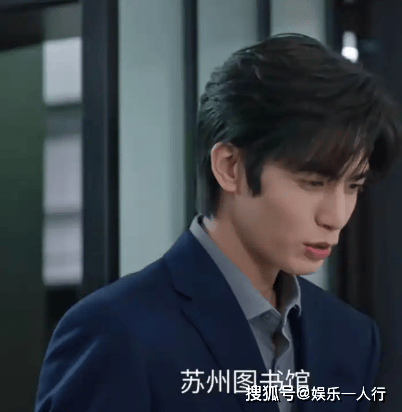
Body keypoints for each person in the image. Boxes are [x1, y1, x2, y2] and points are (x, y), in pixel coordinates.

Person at [34, 34, 402, 412]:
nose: (336, 217)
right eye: (313, 183)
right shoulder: (117, 330)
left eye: (353, 186)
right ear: (230, 167)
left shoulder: (350, 337)